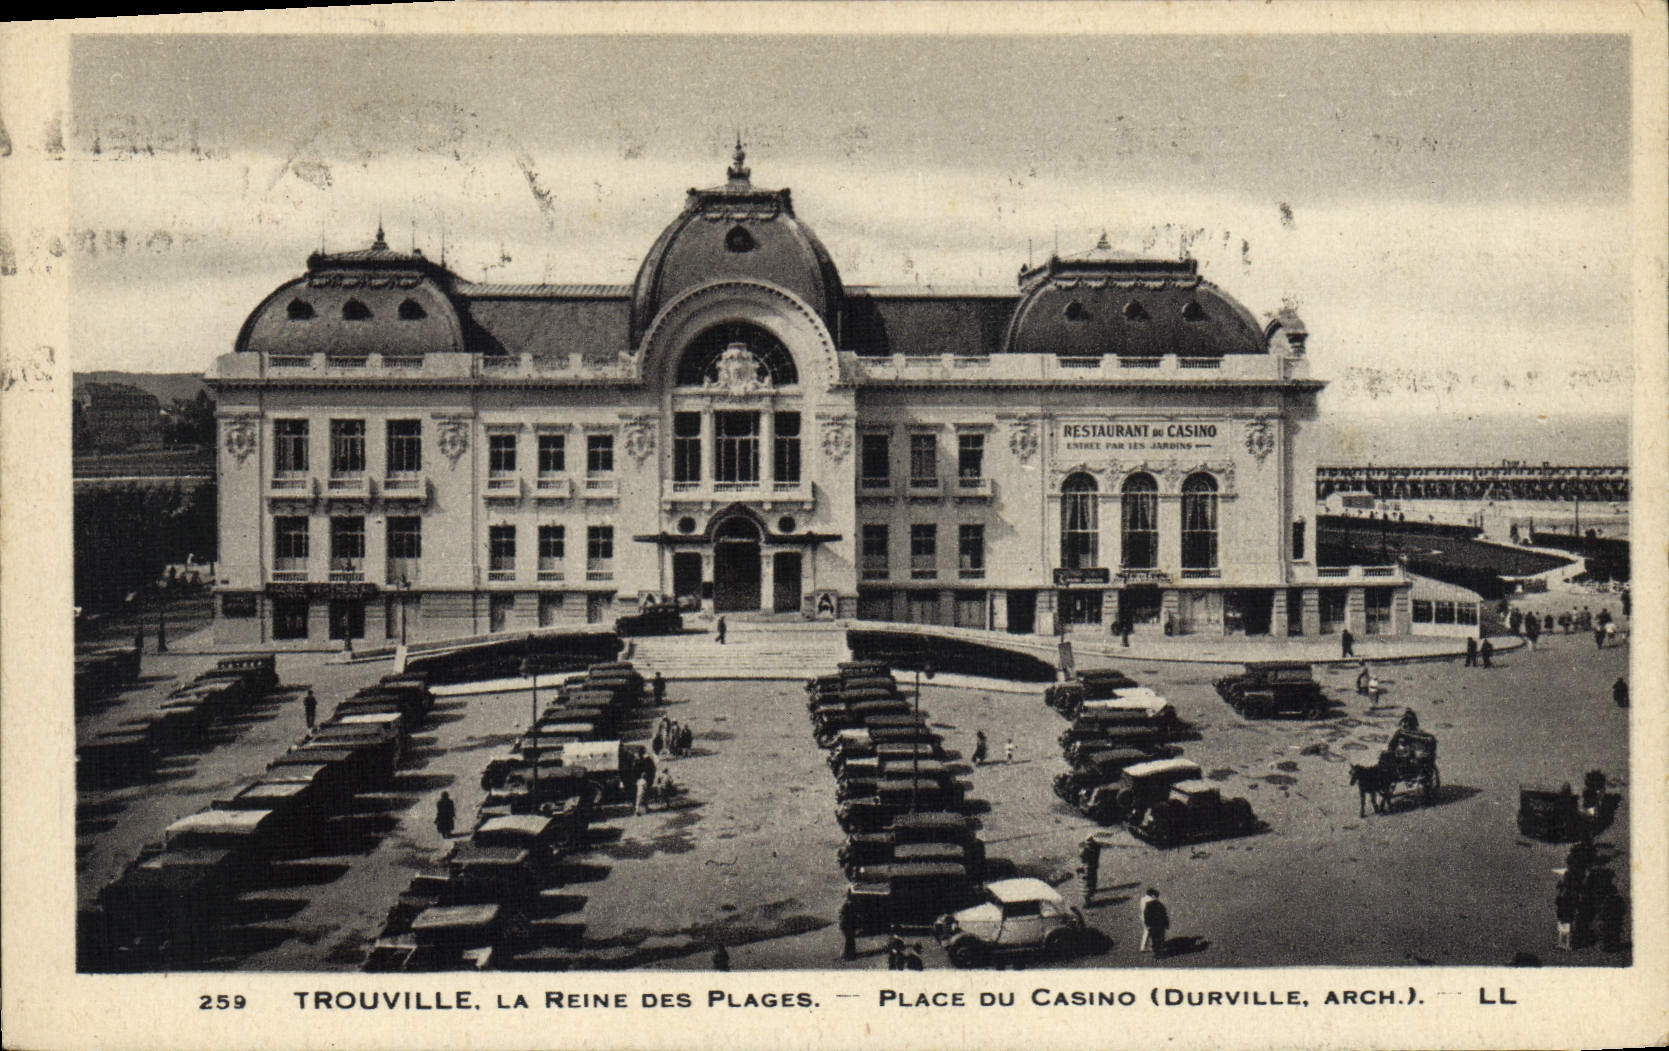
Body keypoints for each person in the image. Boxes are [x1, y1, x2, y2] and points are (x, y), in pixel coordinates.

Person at [1140, 888, 1168, 958]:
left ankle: (1143, 947)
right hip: (1153, 921)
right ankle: (1154, 949)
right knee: (1156, 936)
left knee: (1148, 933)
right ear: (1153, 895)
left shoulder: (1143, 899)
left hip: (1146, 919)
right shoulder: (1152, 902)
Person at [1555, 877, 1576, 951]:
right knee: (1564, 930)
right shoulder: (1568, 894)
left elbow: (1557, 902)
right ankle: (1564, 944)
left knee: (1565, 930)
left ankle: (1565, 945)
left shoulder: (1564, 895)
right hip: (1565, 913)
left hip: (1565, 913)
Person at [1079, 835, 1101, 903]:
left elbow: (1082, 857)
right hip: (1094, 865)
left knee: (1087, 882)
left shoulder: (1086, 849)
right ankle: (1092, 891)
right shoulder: (1097, 846)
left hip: (1088, 866)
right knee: (1093, 879)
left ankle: (1087, 897)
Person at [838, 897, 858, 961]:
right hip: (849, 926)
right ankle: (849, 955)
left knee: (849, 941)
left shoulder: (848, 906)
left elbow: (843, 915)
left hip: (848, 926)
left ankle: (849, 956)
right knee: (850, 941)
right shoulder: (850, 905)